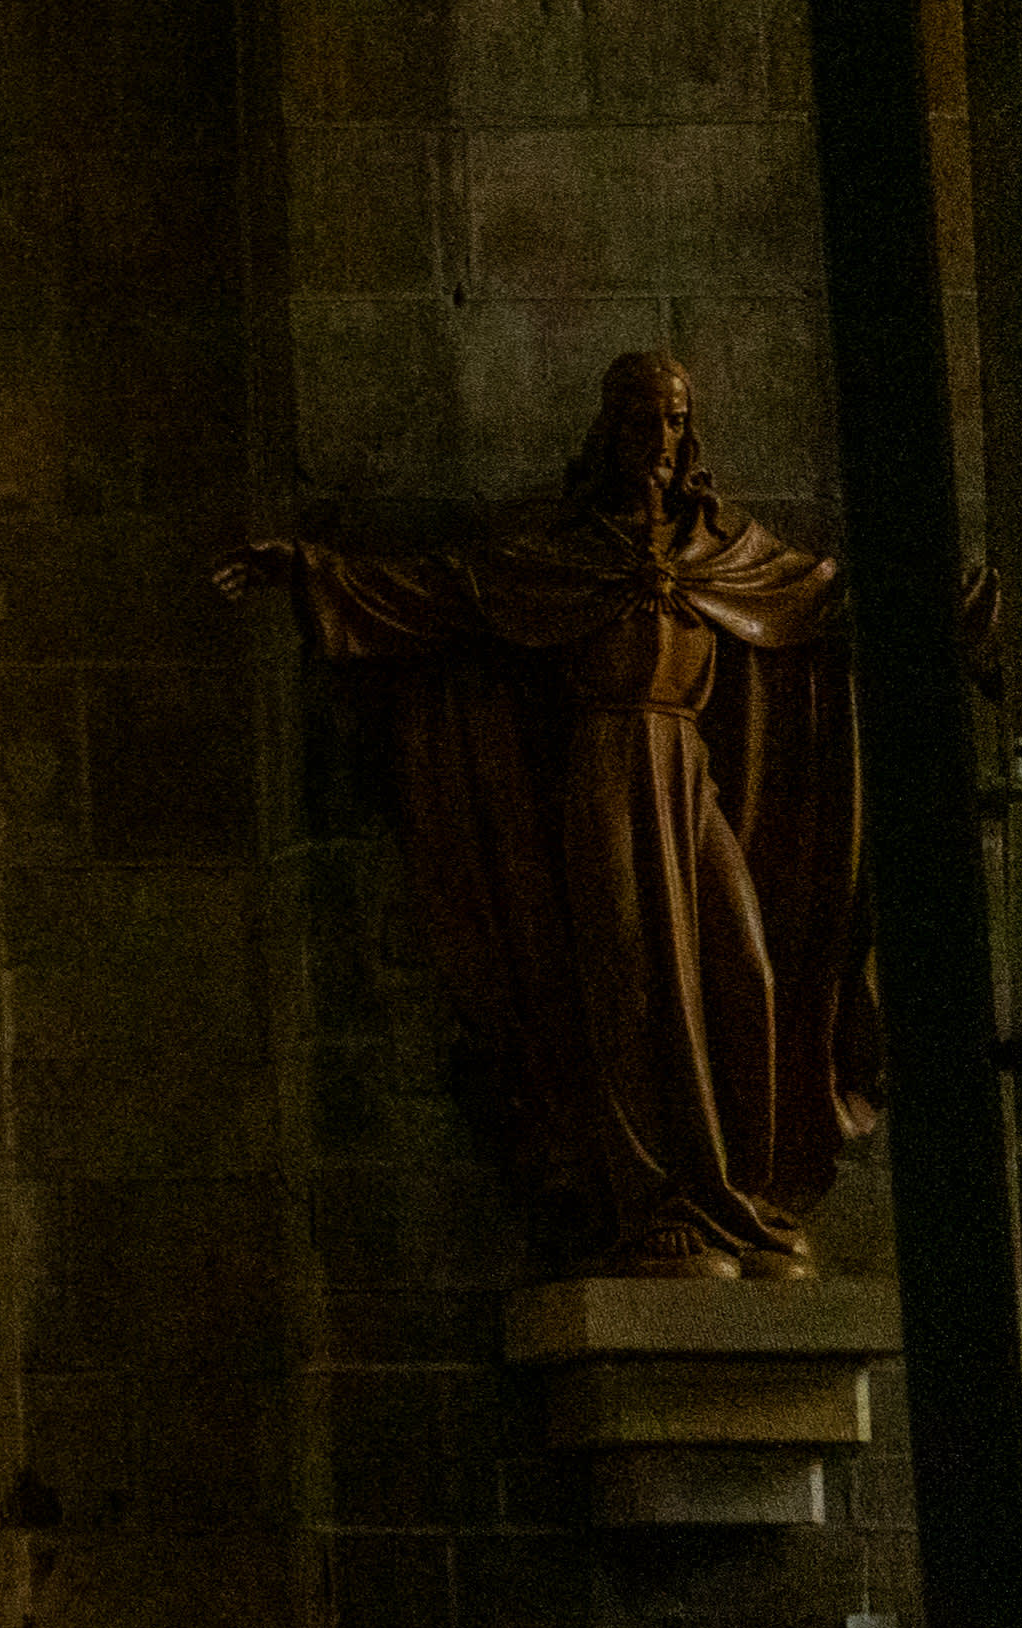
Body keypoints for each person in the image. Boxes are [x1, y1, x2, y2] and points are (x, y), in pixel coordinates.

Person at [214, 349, 956, 1278]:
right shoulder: (567, 556)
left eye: (676, 421)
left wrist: (941, 607)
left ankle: (738, 1195)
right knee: (629, 981)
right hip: (608, 765)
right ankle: (650, 1203)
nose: (660, 439)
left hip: (685, 771)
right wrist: (313, 572)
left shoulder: (721, 552)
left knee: (746, 965)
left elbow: (820, 596)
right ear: (611, 430)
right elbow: (445, 592)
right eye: (644, 419)